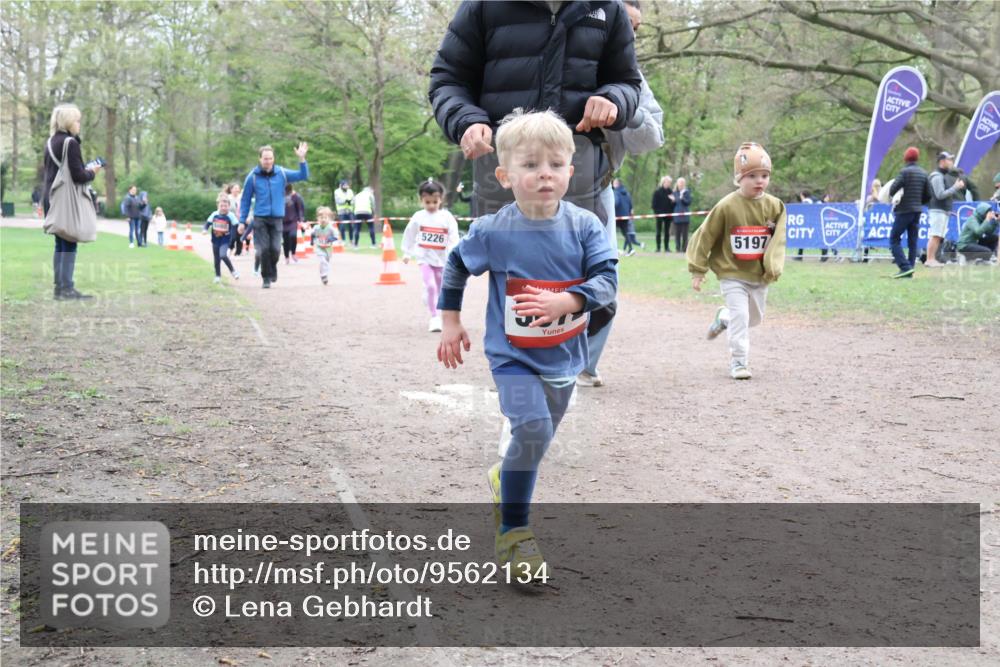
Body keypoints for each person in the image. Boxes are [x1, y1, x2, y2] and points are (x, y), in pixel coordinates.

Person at [436, 110, 617, 576]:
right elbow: (457, 264)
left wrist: (570, 302)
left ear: (570, 172)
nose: (544, 174)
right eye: (531, 164)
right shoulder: (497, 230)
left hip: (564, 358)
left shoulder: (585, 226)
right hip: (511, 357)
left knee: (534, 444)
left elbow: (607, 281)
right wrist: (451, 321)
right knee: (531, 429)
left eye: (555, 165)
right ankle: (514, 536)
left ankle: (504, 479)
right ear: (505, 175)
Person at [428, 0, 641, 224]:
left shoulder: (609, 7)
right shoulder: (482, 5)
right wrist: (466, 121)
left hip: (579, 181)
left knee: (588, 257)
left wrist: (613, 99)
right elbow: (448, 81)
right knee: (493, 257)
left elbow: (627, 82)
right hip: (499, 179)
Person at [686, 142, 786, 380]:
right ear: (739, 178)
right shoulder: (727, 205)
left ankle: (723, 318)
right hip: (732, 273)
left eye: (764, 175)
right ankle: (739, 362)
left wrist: (773, 267)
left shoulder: (775, 206)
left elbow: (779, 239)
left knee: (754, 318)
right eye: (752, 176)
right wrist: (698, 269)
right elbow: (704, 236)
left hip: (758, 275)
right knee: (741, 317)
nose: (759, 181)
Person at [42, 103, 101, 300]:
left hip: (52, 197)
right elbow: (78, 176)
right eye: (77, 120)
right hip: (66, 200)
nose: (79, 124)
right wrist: (92, 172)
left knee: (60, 244)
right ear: (68, 121)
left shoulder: (50, 142)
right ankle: (67, 288)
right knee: (69, 243)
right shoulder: (70, 143)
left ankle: (60, 288)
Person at [237, 142, 309, 289]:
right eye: (265, 158)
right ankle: (266, 278)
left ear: (273, 158)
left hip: (277, 218)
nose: (268, 161)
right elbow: (245, 200)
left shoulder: (281, 173)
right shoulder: (253, 177)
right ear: (260, 159)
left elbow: (303, 175)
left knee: (276, 249)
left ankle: (272, 268)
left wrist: (302, 159)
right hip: (260, 218)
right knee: (263, 249)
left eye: (270, 158)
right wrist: (242, 221)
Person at [402, 180, 460, 333]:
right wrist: (407, 252)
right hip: (424, 257)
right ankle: (435, 317)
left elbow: (453, 237)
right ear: (421, 200)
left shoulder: (446, 217)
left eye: (435, 201)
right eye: (427, 202)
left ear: (441, 199)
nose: (431, 205)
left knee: (440, 287)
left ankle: (430, 297)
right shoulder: (418, 217)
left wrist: (454, 254)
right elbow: (410, 234)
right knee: (431, 286)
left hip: (441, 259)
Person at [887, 146, 929, 279]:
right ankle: (909, 269)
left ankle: (904, 267)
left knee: (894, 239)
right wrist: (918, 202)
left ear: (906, 158)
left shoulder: (904, 172)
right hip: (917, 211)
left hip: (904, 210)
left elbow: (893, 190)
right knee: (912, 241)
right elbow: (929, 194)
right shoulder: (923, 173)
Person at [925, 150, 966, 267]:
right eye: (949, 160)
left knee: (938, 236)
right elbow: (940, 195)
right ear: (942, 161)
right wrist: (956, 187)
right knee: (935, 235)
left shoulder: (941, 175)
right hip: (937, 210)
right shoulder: (937, 176)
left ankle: (932, 259)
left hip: (942, 211)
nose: (952, 162)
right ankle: (930, 259)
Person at [204, 194, 240, 284]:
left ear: (229, 206)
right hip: (215, 240)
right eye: (221, 206)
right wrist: (204, 229)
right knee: (216, 259)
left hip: (225, 240)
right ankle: (217, 276)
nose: (224, 208)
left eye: (226, 206)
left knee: (223, 255)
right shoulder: (214, 214)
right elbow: (207, 223)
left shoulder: (230, 215)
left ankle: (233, 271)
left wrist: (233, 239)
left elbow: (236, 225)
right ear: (218, 206)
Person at [312, 206, 340, 285]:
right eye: (321, 217)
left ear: (329, 219)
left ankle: (324, 275)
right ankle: (323, 275)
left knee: (326, 262)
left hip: (328, 248)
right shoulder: (316, 228)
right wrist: (313, 239)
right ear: (318, 218)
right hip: (319, 248)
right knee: (322, 261)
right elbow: (312, 235)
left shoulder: (331, 228)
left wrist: (329, 240)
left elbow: (336, 236)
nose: (323, 219)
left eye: (325, 217)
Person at [282, 183, 305, 264]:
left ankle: (293, 253)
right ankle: (286, 257)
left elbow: (300, 209)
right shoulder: (280, 196)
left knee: (292, 236)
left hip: (293, 221)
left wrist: (301, 219)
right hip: (283, 221)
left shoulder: (296, 197)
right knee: (285, 240)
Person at [651, 175, 675, 252]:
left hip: (668, 215)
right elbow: (654, 205)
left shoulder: (671, 192)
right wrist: (658, 213)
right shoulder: (657, 192)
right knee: (658, 231)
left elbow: (673, 205)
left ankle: (666, 247)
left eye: (669, 182)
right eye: (667, 182)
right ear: (663, 182)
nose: (668, 184)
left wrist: (673, 201)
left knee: (667, 232)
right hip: (659, 215)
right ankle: (658, 248)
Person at [672, 177, 693, 253]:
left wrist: (682, 198)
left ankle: (685, 249)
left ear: (684, 184)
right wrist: (673, 201)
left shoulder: (687, 192)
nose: (680, 184)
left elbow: (688, 202)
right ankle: (677, 248)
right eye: (679, 183)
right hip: (677, 217)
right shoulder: (674, 193)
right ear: (677, 184)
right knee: (677, 234)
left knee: (685, 234)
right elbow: (672, 204)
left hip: (685, 217)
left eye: (682, 183)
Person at [793, 190, 813, 261]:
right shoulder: (810, 201)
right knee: (802, 239)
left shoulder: (806, 202)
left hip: (807, 223)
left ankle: (825, 254)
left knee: (805, 239)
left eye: (801, 195)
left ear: (803, 195)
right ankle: (799, 255)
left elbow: (803, 211)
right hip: (808, 223)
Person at [225, 183, 245, 255]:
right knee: (233, 236)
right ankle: (230, 248)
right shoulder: (228, 198)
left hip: (240, 219)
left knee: (240, 236)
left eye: (238, 188)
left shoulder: (241, 197)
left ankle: (238, 252)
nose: (237, 190)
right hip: (231, 220)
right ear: (231, 190)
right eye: (235, 188)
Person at [334, 179, 354, 246]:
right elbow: (338, 201)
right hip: (341, 211)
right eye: (344, 185)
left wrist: (350, 202)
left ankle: (351, 240)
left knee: (352, 225)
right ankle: (343, 240)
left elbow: (353, 200)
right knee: (342, 226)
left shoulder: (350, 191)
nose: (346, 186)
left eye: (347, 185)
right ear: (341, 186)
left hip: (350, 210)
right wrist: (345, 201)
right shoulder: (337, 192)